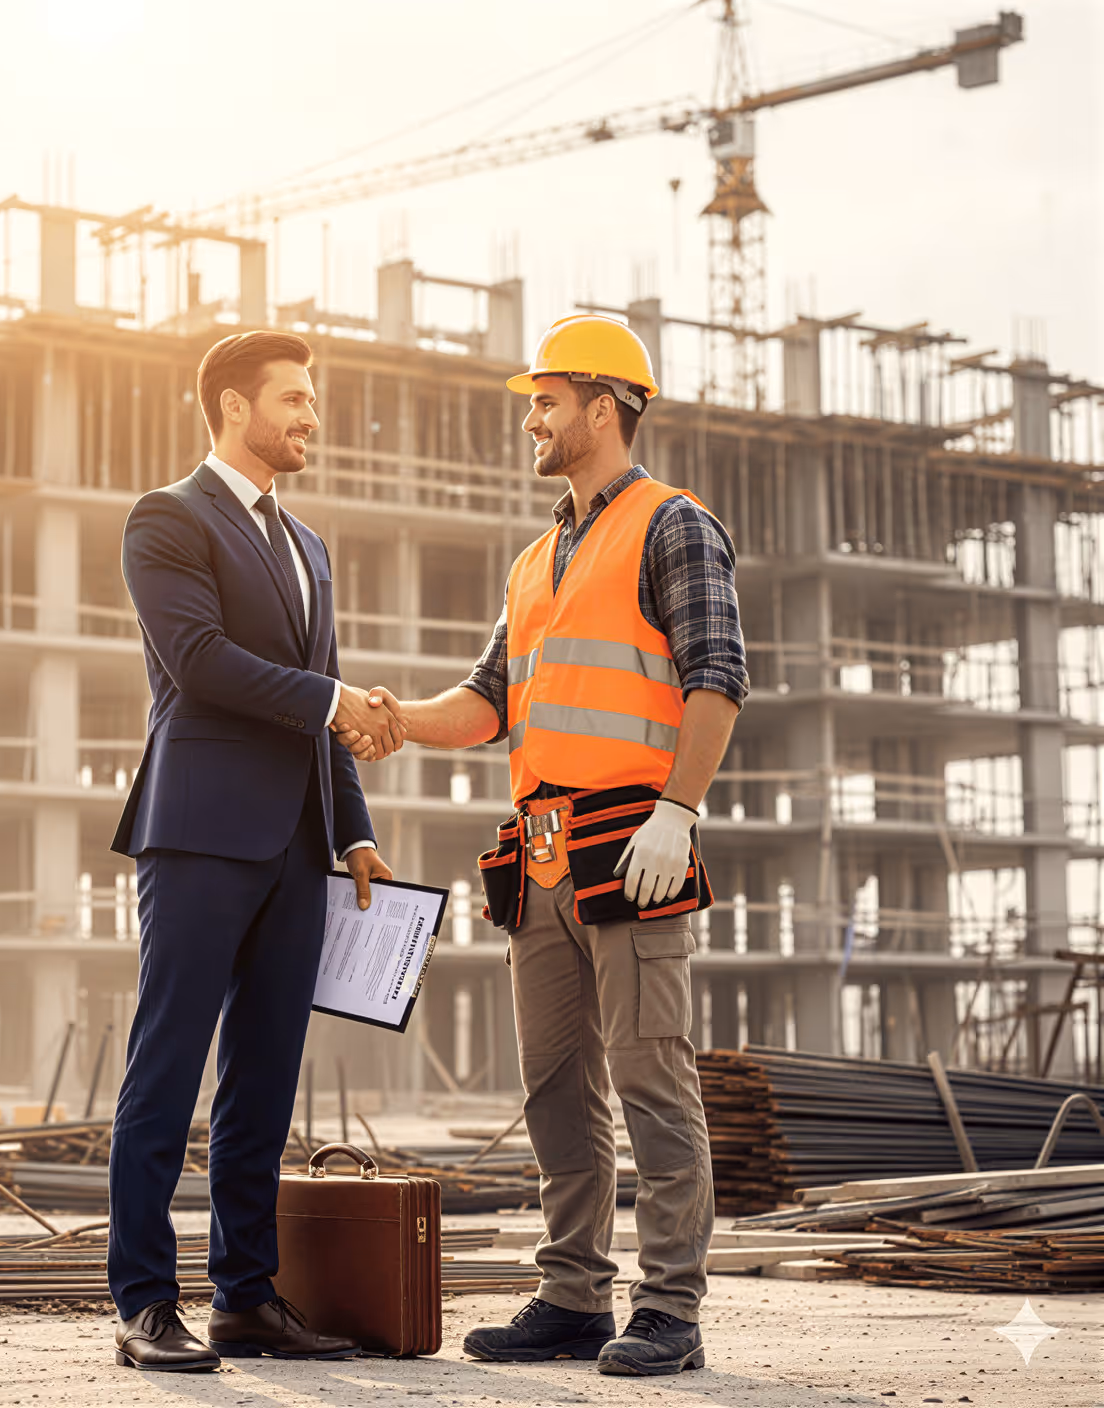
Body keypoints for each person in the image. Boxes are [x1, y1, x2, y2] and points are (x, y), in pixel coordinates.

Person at [341, 314, 748, 1377]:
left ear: (600, 407)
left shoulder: (674, 526)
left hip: (635, 847)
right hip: (542, 859)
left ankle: (670, 1307)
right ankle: (573, 1296)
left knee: (654, 1080)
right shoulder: (533, 560)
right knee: (556, 1087)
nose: (531, 419)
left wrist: (681, 809)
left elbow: (717, 678)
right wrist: (386, 715)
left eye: (545, 401)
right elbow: (486, 703)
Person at [108, 330, 404, 1372]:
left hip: (298, 847)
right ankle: (144, 1302)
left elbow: (321, 698)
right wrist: (334, 701)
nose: (309, 416)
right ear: (232, 407)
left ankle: (245, 1296)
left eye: (312, 399)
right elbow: (198, 663)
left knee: (265, 1078)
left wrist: (355, 825)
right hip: (196, 831)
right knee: (167, 1063)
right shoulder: (166, 518)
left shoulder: (311, 546)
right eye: (292, 399)